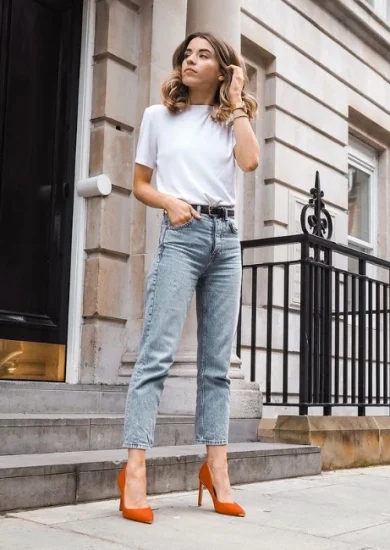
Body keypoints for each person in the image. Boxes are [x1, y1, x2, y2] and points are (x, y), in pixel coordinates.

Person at [117, 31, 259, 524]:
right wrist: (170, 202)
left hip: (226, 239)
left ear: (224, 70)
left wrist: (238, 104)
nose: (190, 61)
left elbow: (251, 160)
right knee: (156, 353)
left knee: (216, 364)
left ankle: (216, 470)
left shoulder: (229, 119)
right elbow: (138, 184)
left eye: (203, 56)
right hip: (182, 234)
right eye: (187, 55)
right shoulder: (159, 118)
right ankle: (134, 470)